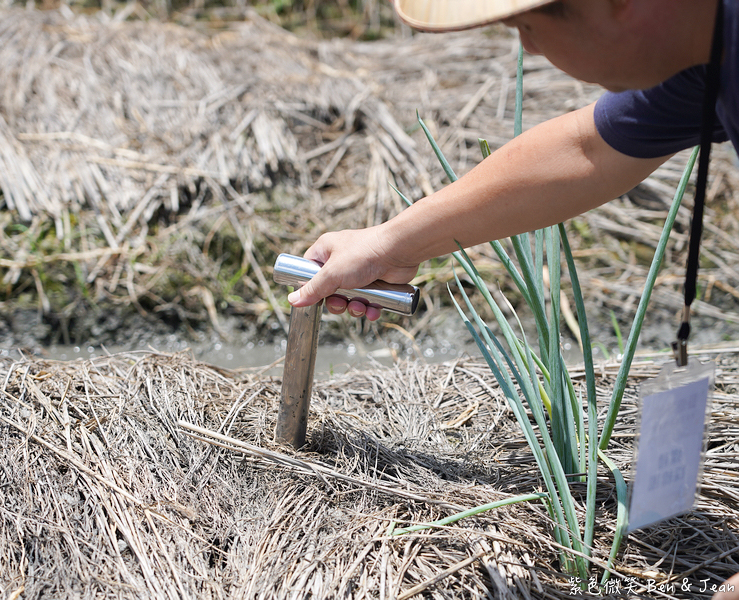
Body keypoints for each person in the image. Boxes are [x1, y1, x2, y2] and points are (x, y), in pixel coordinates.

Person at [286, 0, 739, 597]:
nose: (526, 49)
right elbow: (589, 150)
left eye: (528, 25)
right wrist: (390, 243)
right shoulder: (700, 49)